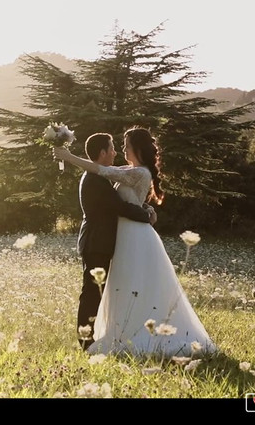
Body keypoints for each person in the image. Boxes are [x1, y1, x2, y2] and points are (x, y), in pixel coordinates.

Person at [54, 127, 218, 357]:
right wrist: (147, 210)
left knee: (137, 284)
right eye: (116, 146)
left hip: (134, 235)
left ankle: (138, 332)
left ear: (137, 149)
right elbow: (107, 176)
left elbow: (106, 176)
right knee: (120, 285)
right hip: (118, 236)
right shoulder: (128, 171)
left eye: (126, 146)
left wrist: (68, 157)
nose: (121, 149)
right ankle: (113, 332)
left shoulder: (139, 173)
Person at [64, 132, 156, 352]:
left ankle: (98, 337)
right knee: (91, 293)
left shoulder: (103, 176)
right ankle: (86, 343)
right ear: (103, 153)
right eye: (113, 148)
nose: (116, 152)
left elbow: (126, 198)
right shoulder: (95, 179)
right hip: (97, 243)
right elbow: (121, 207)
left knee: (100, 291)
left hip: (103, 242)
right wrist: (148, 215)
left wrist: (146, 208)